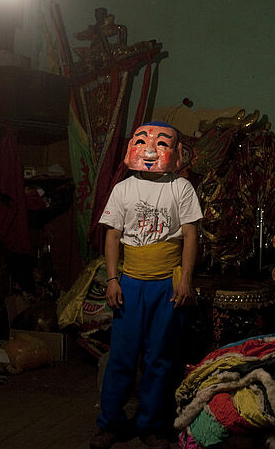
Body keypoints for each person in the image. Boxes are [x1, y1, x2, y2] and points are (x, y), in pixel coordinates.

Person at [90, 122, 203, 449]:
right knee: (121, 357)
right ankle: (110, 424)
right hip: (130, 284)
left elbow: (191, 235)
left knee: (160, 357)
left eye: (162, 144)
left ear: (178, 153)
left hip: (166, 286)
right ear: (131, 149)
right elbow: (112, 235)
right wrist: (113, 279)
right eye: (142, 141)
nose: (151, 150)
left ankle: (152, 426)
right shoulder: (123, 188)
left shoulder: (181, 188)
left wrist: (185, 280)